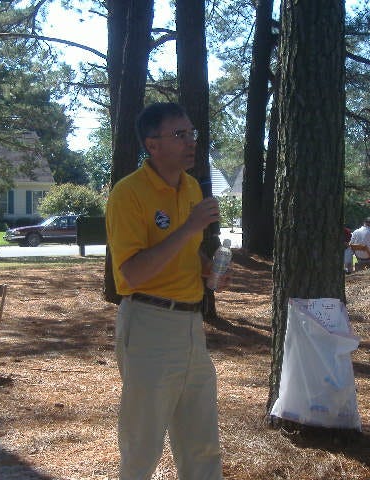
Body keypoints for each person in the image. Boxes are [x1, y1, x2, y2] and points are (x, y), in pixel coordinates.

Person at [106, 102, 224, 480]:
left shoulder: (190, 187)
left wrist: (209, 267)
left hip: (192, 325)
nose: (191, 142)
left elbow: (186, 251)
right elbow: (133, 273)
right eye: (180, 134)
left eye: (192, 133)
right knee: (142, 445)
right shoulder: (129, 194)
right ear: (152, 144)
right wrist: (189, 229)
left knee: (202, 442)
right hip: (149, 323)